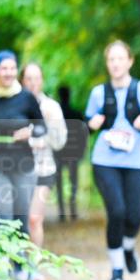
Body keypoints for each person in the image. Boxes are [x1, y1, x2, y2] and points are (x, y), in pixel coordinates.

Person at [85, 40, 140, 280]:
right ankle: (117, 269)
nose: (115, 64)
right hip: (105, 160)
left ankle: (128, 247)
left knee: (134, 216)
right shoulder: (99, 93)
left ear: (130, 61)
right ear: (107, 64)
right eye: (111, 59)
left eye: (120, 59)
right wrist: (91, 124)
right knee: (116, 211)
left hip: (136, 160)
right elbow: (87, 123)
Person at [0, 50, 47, 280]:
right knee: (3, 215)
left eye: (13, 68)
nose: (9, 72)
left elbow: (42, 127)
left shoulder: (26, 98)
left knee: (21, 216)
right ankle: (7, 267)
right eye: (4, 68)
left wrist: (31, 133)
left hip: (23, 165)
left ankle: (22, 265)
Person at [20, 63, 68, 277]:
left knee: (34, 218)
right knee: (16, 218)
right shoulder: (13, 105)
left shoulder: (51, 107)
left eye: (36, 78)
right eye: (28, 78)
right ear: (22, 80)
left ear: (42, 80)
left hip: (43, 169)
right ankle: (15, 265)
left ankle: (33, 265)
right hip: (15, 169)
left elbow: (60, 141)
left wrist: (46, 132)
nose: (32, 83)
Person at [55, 85, 88, 221]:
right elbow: (84, 135)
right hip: (73, 152)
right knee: (73, 181)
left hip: (58, 152)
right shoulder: (76, 114)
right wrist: (81, 151)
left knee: (59, 182)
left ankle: (62, 211)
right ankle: (72, 209)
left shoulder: (56, 113)